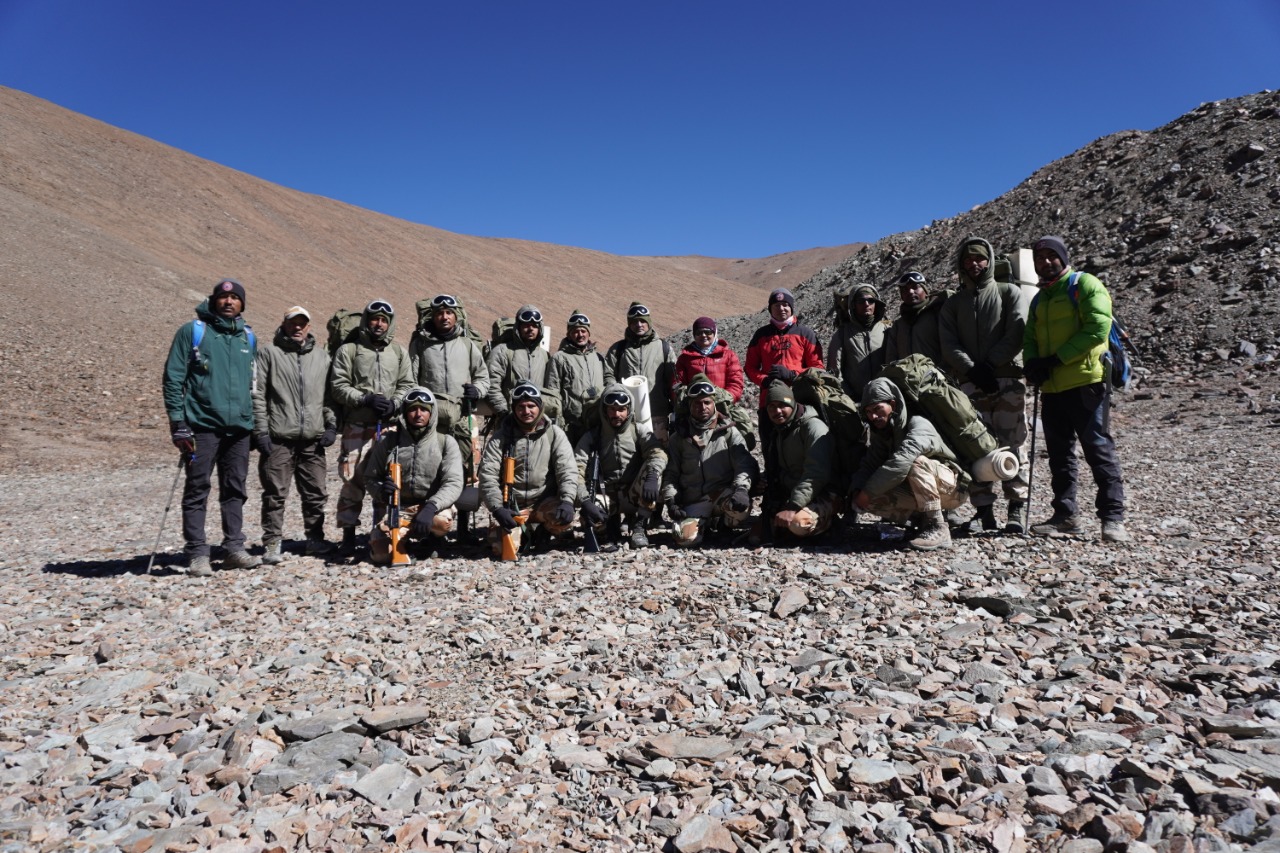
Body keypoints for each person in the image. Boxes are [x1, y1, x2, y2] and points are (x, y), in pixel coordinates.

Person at [1023, 235, 1131, 544]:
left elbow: (1096, 329)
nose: (1044, 262)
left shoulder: (1084, 285)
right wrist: (1032, 363)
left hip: (1087, 382)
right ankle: (1065, 515)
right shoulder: (1040, 298)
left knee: (1098, 449)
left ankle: (1112, 518)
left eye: (1050, 256)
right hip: (1053, 387)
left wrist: (1056, 359)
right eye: (1039, 258)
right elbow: (1029, 337)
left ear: (1062, 257)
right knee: (1059, 454)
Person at [162, 277, 261, 575]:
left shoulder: (248, 337)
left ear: (242, 303)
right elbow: (173, 379)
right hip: (202, 426)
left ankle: (233, 547)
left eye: (234, 299)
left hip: (239, 429)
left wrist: (254, 424)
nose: (228, 302)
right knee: (197, 489)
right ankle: (197, 553)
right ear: (214, 300)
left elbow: (252, 385)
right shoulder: (193, 332)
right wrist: (178, 422)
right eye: (223, 298)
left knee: (235, 489)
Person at [939, 238, 1030, 534]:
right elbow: (948, 342)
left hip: (1006, 379)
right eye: (968, 259)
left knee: (1013, 442)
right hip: (970, 385)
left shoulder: (1009, 292)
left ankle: (1016, 508)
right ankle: (984, 512)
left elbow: (1017, 329)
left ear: (990, 261)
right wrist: (971, 369)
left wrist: (990, 364)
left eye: (979, 258)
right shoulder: (954, 303)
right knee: (976, 446)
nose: (974, 264)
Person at [328, 299, 415, 555]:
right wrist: (363, 398)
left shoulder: (398, 353)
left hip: (388, 427)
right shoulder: (349, 351)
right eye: (375, 319)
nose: (379, 324)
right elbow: (338, 385)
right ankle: (348, 534)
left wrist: (396, 404)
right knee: (351, 479)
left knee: (386, 480)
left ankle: (381, 531)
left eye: (384, 320)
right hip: (357, 426)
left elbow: (407, 383)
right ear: (367, 321)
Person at [252, 306, 338, 563]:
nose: (298, 327)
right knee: (275, 492)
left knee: (316, 492)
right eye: (293, 323)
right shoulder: (269, 354)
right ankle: (272, 543)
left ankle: (315, 539)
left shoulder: (321, 357)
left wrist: (331, 424)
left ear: (309, 327)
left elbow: (328, 396)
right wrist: (261, 432)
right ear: (284, 323)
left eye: (303, 323)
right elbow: (257, 395)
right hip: (279, 437)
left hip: (312, 438)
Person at [849, 377, 970, 551]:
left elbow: (901, 461)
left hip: (954, 489)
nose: (873, 416)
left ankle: (938, 527)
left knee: (915, 463)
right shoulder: (884, 433)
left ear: (893, 403)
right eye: (868, 412)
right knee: (868, 498)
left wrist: (868, 492)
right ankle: (921, 521)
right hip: (927, 488)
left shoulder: (918, 424)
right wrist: (857, 490)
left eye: (877, 409)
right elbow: (869, 464)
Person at [408, 293, 489, 533]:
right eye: (440, 313)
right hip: (431, 422)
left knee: (468, 469)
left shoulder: (467, 345)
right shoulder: (420, 344)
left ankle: (463, 527)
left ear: (457, 316)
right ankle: (435, 529)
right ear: (432, 316)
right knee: (433, 469)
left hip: (463, 417)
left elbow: (483, 376)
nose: (444, 317)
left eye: (449, 313)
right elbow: (411, 379)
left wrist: (478, 390)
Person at [364, 387, 465, 563]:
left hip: (433, 508)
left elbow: (454, 482)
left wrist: (431, 506)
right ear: (404, 412)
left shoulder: (446, 442)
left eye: (424, 409)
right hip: (399, 508)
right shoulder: (388, 442)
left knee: (441, 522)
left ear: (432, 413)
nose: (418, 414)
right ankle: (403, 544)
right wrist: (382, 491)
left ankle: (435, 539)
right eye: (412, 409)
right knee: (381, 554)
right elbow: (371, 477)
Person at [478, 382, 578, 557]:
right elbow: (487, 476)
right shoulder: (500, 437)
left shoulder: (554, 434)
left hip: (543, 502)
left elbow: (567, 470)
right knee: (499, 549)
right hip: (511, 506)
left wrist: (567, 501)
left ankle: (543, 531)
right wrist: (497, 508)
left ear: (539, 407)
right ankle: (526, 533)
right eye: (521, 407)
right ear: (514, 409)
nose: (526, 411)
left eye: (531, 406)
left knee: (565, 520)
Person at [661, 375, 757, 548]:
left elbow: (744, 464)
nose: (702, 407)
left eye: (707, 403)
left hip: (722, 494)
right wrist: (672, 500)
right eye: (697, 403)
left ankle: (724, 525)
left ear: (714, 404)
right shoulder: (678, 438)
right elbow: (671, 473)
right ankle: (704, 523)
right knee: (685, 539)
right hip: (694, 499)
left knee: (739, 509)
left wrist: (742, 489)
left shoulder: (729, 432)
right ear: (689, 406)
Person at [743, 288, 824, 491]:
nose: (782, 308)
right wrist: (764, 381)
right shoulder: (761, 335)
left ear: (792, 307)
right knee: (770, 446)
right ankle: (774, 493)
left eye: (786, 304)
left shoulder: (805, 333)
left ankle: (802, 489)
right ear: (770, 309)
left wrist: (793, 375)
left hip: (800, 400)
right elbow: (750, 367)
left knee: (800, 444)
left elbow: (818, 368)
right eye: (777, 305)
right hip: (769, 401)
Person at [575, 383, 668, 548]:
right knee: (589, 518)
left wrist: (652, 476)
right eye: (611, 409)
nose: (616, 414)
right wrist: (584, 500)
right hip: (606, 495)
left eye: (621, 410)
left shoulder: (638, 430)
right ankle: (609, 527)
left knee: (654, 472)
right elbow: (576, 470)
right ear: (604, 410)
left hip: (634, 492)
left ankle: (639, 527)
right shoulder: (592, 436)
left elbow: (658, 453)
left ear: (629, 410)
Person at [762, 383, 841, 540]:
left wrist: (793, 507)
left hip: (824, 493)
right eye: (771, 406)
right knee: (757, 536)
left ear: (792, 403)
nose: (777, 411)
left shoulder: (813, 427)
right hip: (795, 493)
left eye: (782, 405)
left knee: (797, 524)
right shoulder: (781, 429)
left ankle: (830, 523)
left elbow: (817, 474)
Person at [604, 302, 676, 443]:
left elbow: (673, 379)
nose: (639, 324)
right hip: (626, 416)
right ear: (629, 324)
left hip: (658, 415)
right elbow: (608, 374)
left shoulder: (663, 348)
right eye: (634, 321)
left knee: (658, 454)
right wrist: (616, 393)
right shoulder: (618, 349)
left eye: (643, 321)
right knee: (631, 457)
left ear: (649, 322)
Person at [546, 310, 607, 446]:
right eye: (575, 331)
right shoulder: (559, 358)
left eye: (583, 331)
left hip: (597, 422)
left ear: (588, 333)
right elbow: (553, 392)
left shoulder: (597, 357)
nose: (580, 335)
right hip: (572, 425)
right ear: (569, 334)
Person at [486, 305, 553, 417]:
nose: (530, 328)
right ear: (518, 327)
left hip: (537, 419)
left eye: (534, 326)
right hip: (509, 419)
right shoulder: (502, 351)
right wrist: (504, 413)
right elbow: (491, 385)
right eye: (526, 325)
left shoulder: (544, 355)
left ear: (540, 329)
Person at [827, 283, 889, 402]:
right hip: (855, 401)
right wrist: (849, 397)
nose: (866, 304)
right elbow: (835, 372)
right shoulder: (842, 335)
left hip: (886, 398)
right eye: (861, 301)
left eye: (871, 300)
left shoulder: (887, 330)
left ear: (876, 303)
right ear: (853, 305)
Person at [673, 316, 744, 403]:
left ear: (714, 333)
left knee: (741, 416)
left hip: (722, 404)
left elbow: (736, 383)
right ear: (694, 335)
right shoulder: (684, 358)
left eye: (707, 332)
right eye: (699, 333)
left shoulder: (728, 356)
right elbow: (678, 384)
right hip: (693, 407)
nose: (703, 335)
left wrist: (726, 399)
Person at [884, 271, 950, 366]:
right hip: (909, 379)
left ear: (925, 290)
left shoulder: (939, 314)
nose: (910, 292)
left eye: (915, 287)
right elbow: (891, 359)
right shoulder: (898, 326)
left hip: (939, 377)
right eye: (905, 290)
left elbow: (950, 346)